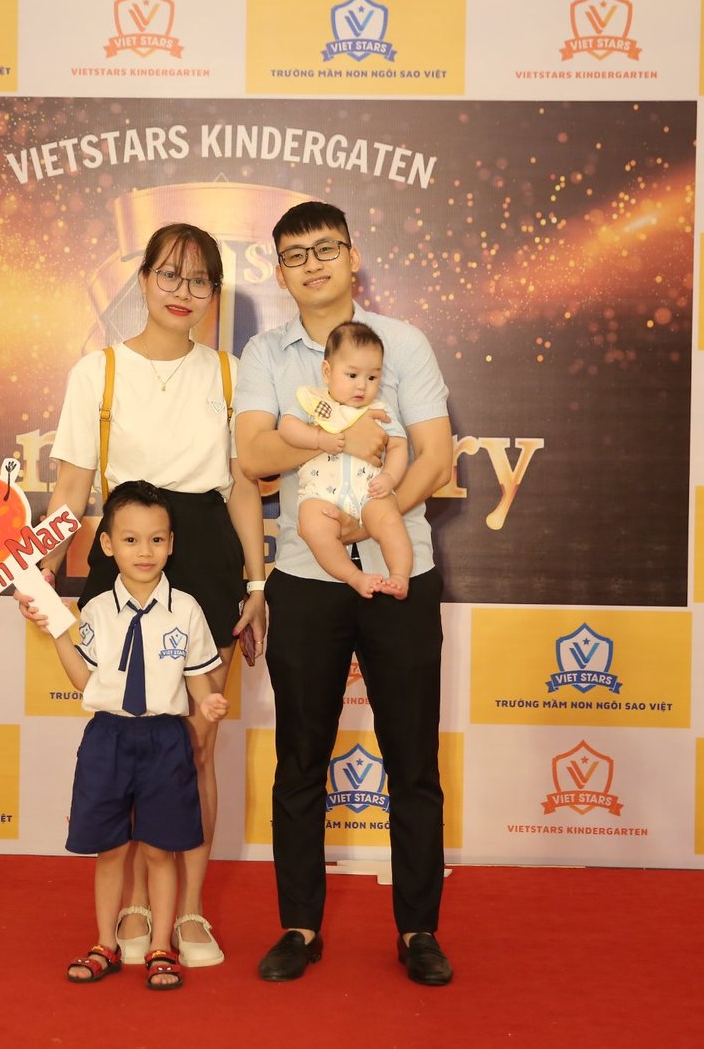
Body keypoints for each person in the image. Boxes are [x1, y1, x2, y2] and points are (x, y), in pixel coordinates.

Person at [23, 222, 268, 969]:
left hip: (207, 559)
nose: (183, 293)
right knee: (127, 736)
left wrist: (256, 582)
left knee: (194, 743)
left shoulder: (230, 374)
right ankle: (132, 904)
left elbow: (243, 490)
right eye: (170, 275)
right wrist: (36, 568)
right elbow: (72, 488)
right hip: (124, 548)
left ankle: (188, 911)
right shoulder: (95, 372)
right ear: (144, 278)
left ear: (214, 292)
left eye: (200, 281)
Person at [233, 201, 455, 987]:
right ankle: (299, 927)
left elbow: (435, 453)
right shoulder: (265, 352)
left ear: (353, 256)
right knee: (300, 759)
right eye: (296, 255)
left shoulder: (403, 342)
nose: (313, 264)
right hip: (303, 576)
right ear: (280, 271)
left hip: (400, 573)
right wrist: (336, 440)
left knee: (413, 761)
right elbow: (255, 455)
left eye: (326, 248)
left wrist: (369, 521)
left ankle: (419, 929)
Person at [32, 481, 230, 991]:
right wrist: (57, 632)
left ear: (171, 543)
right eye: (131, 540)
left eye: (157, 540)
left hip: (166, 740)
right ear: (107, 545)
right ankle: (106, 942)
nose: (145, 551)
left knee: (161, 849)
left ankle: (161, 946)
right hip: (109, 739)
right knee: (112, 850)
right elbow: (85, 680)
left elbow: (197, 674)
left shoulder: (187, 609)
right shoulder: (97, 610)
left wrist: (207, 700)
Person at [277, 320, 411, 599]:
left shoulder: (380, 411)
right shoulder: (313, 403)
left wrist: (389, 477)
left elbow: (398, 446)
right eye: (352, 375)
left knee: (390, 522)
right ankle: (354, 576)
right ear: (327, 372)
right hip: (320, 494)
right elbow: (287, 427)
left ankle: (399, 576)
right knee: (315, 527)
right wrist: (318, 438)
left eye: (372, 378)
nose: (362, 386)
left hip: (369, 491)